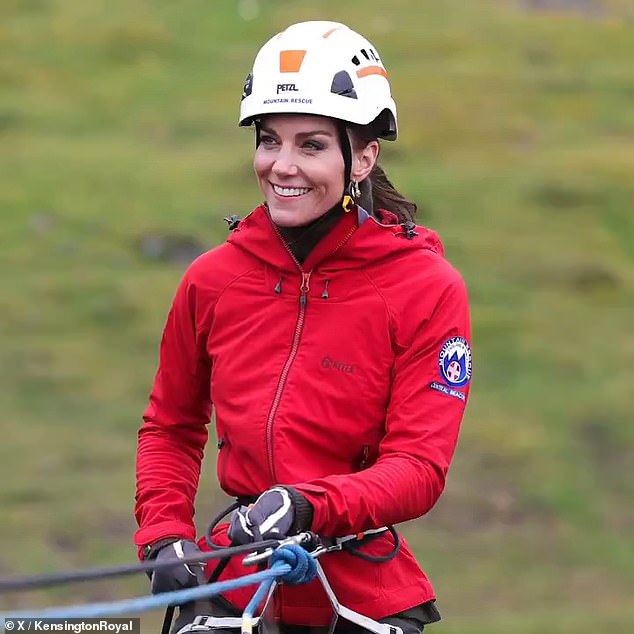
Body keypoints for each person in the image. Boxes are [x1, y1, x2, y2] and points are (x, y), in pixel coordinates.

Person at [135, 20, 472, 634]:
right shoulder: (212, 279)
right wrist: (164, 536)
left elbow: (420, 468)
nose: (281, 166)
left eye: (311, 145)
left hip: (362, 592)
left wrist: (306, 504)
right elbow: (171, 426)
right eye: (269, 141)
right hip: (234, 583)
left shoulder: (427, 289)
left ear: (363, 156)